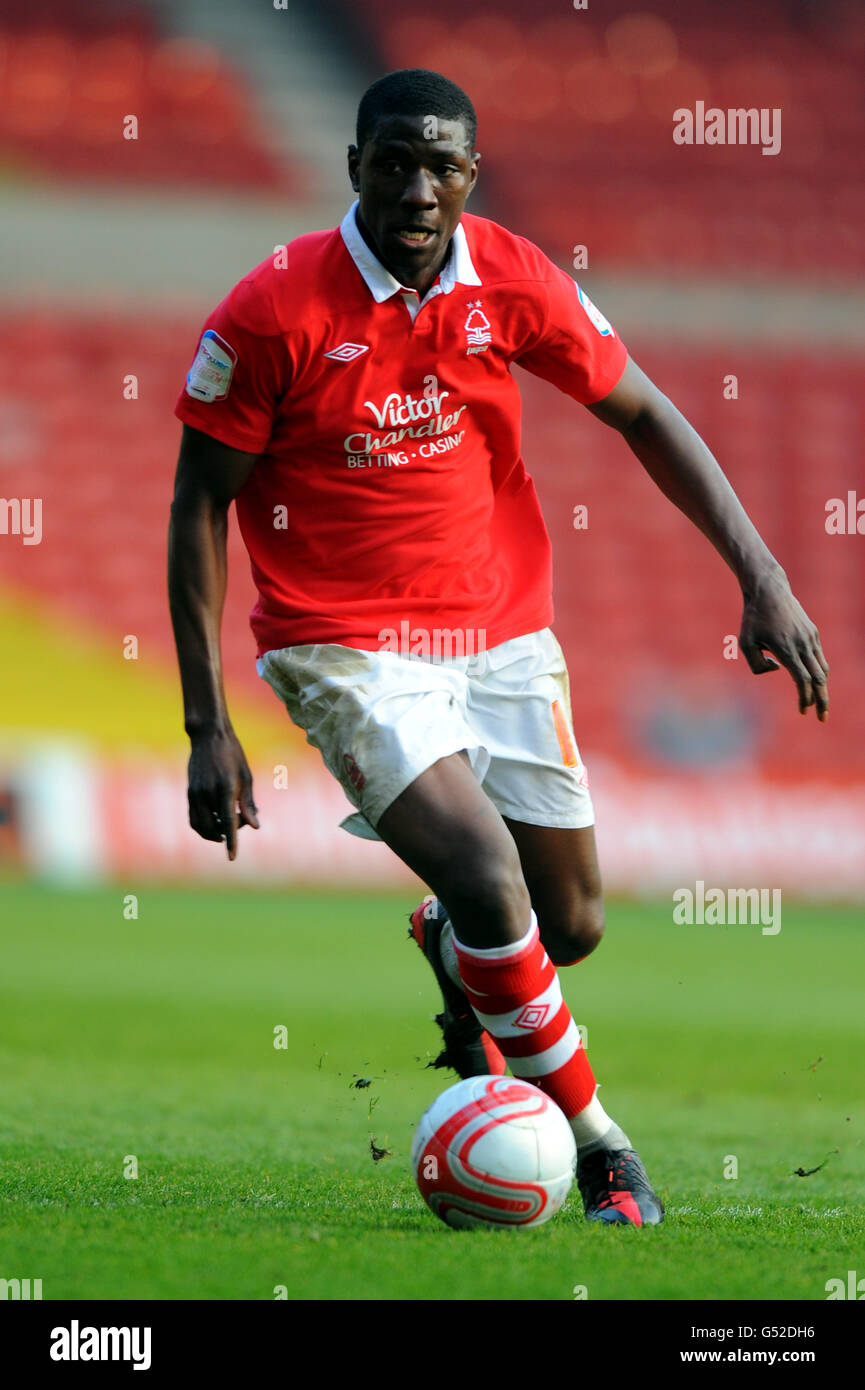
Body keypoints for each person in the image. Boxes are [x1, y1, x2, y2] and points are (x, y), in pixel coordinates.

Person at [168, 69, 829, 1227]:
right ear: (355, 167)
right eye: (393, 163)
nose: (417, 189)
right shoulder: (271, 312)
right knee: (487, 873)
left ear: (471, 174)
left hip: (503, 634)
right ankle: (598, 1144)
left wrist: (762, 574)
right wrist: (205, 723)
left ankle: (453, 944)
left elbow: (645, 413)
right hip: (346, 644)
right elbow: (197, 504)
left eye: (443, 167)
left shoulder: (511, 275)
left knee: (565, 923)